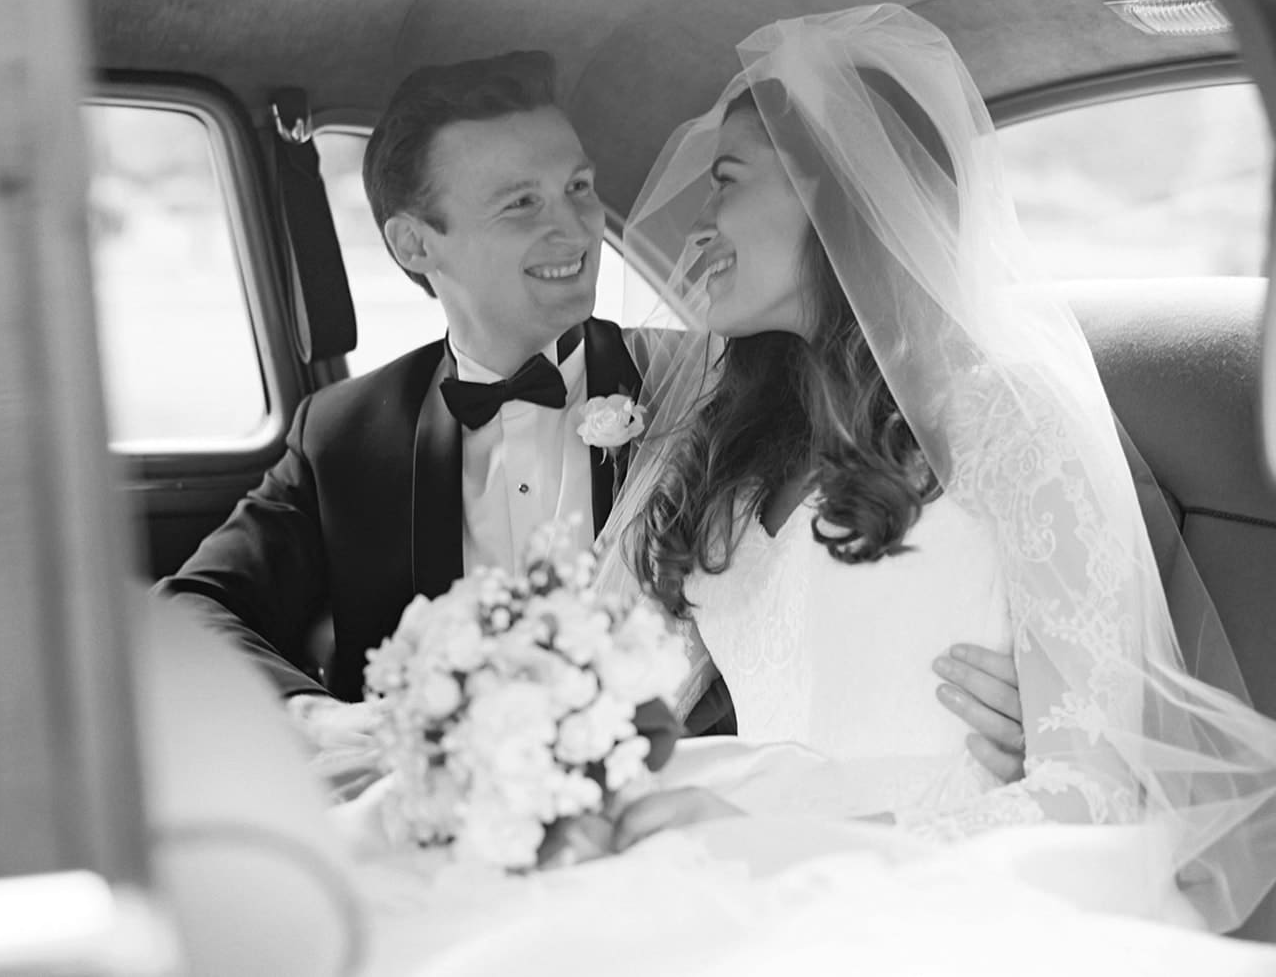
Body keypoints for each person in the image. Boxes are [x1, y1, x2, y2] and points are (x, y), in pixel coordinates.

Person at [577, 4, 1276, 934]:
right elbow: (596, 714)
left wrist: (779, 849)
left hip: (950, 895)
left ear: (835, 196)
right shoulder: (719, 449)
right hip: (746, 878)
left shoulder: (1007, 418)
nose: (695, 228)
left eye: (726, 182)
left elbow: (1094, 796)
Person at [158, 48, 1026, 793]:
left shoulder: (724, 382)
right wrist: (320, 722)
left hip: (707, 819)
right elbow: (189, 610)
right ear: (416, 243)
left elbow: (896, 558)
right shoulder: (342, 434)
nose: (575, 227)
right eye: (521, 203)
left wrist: (1046, 703)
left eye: (578, 187)